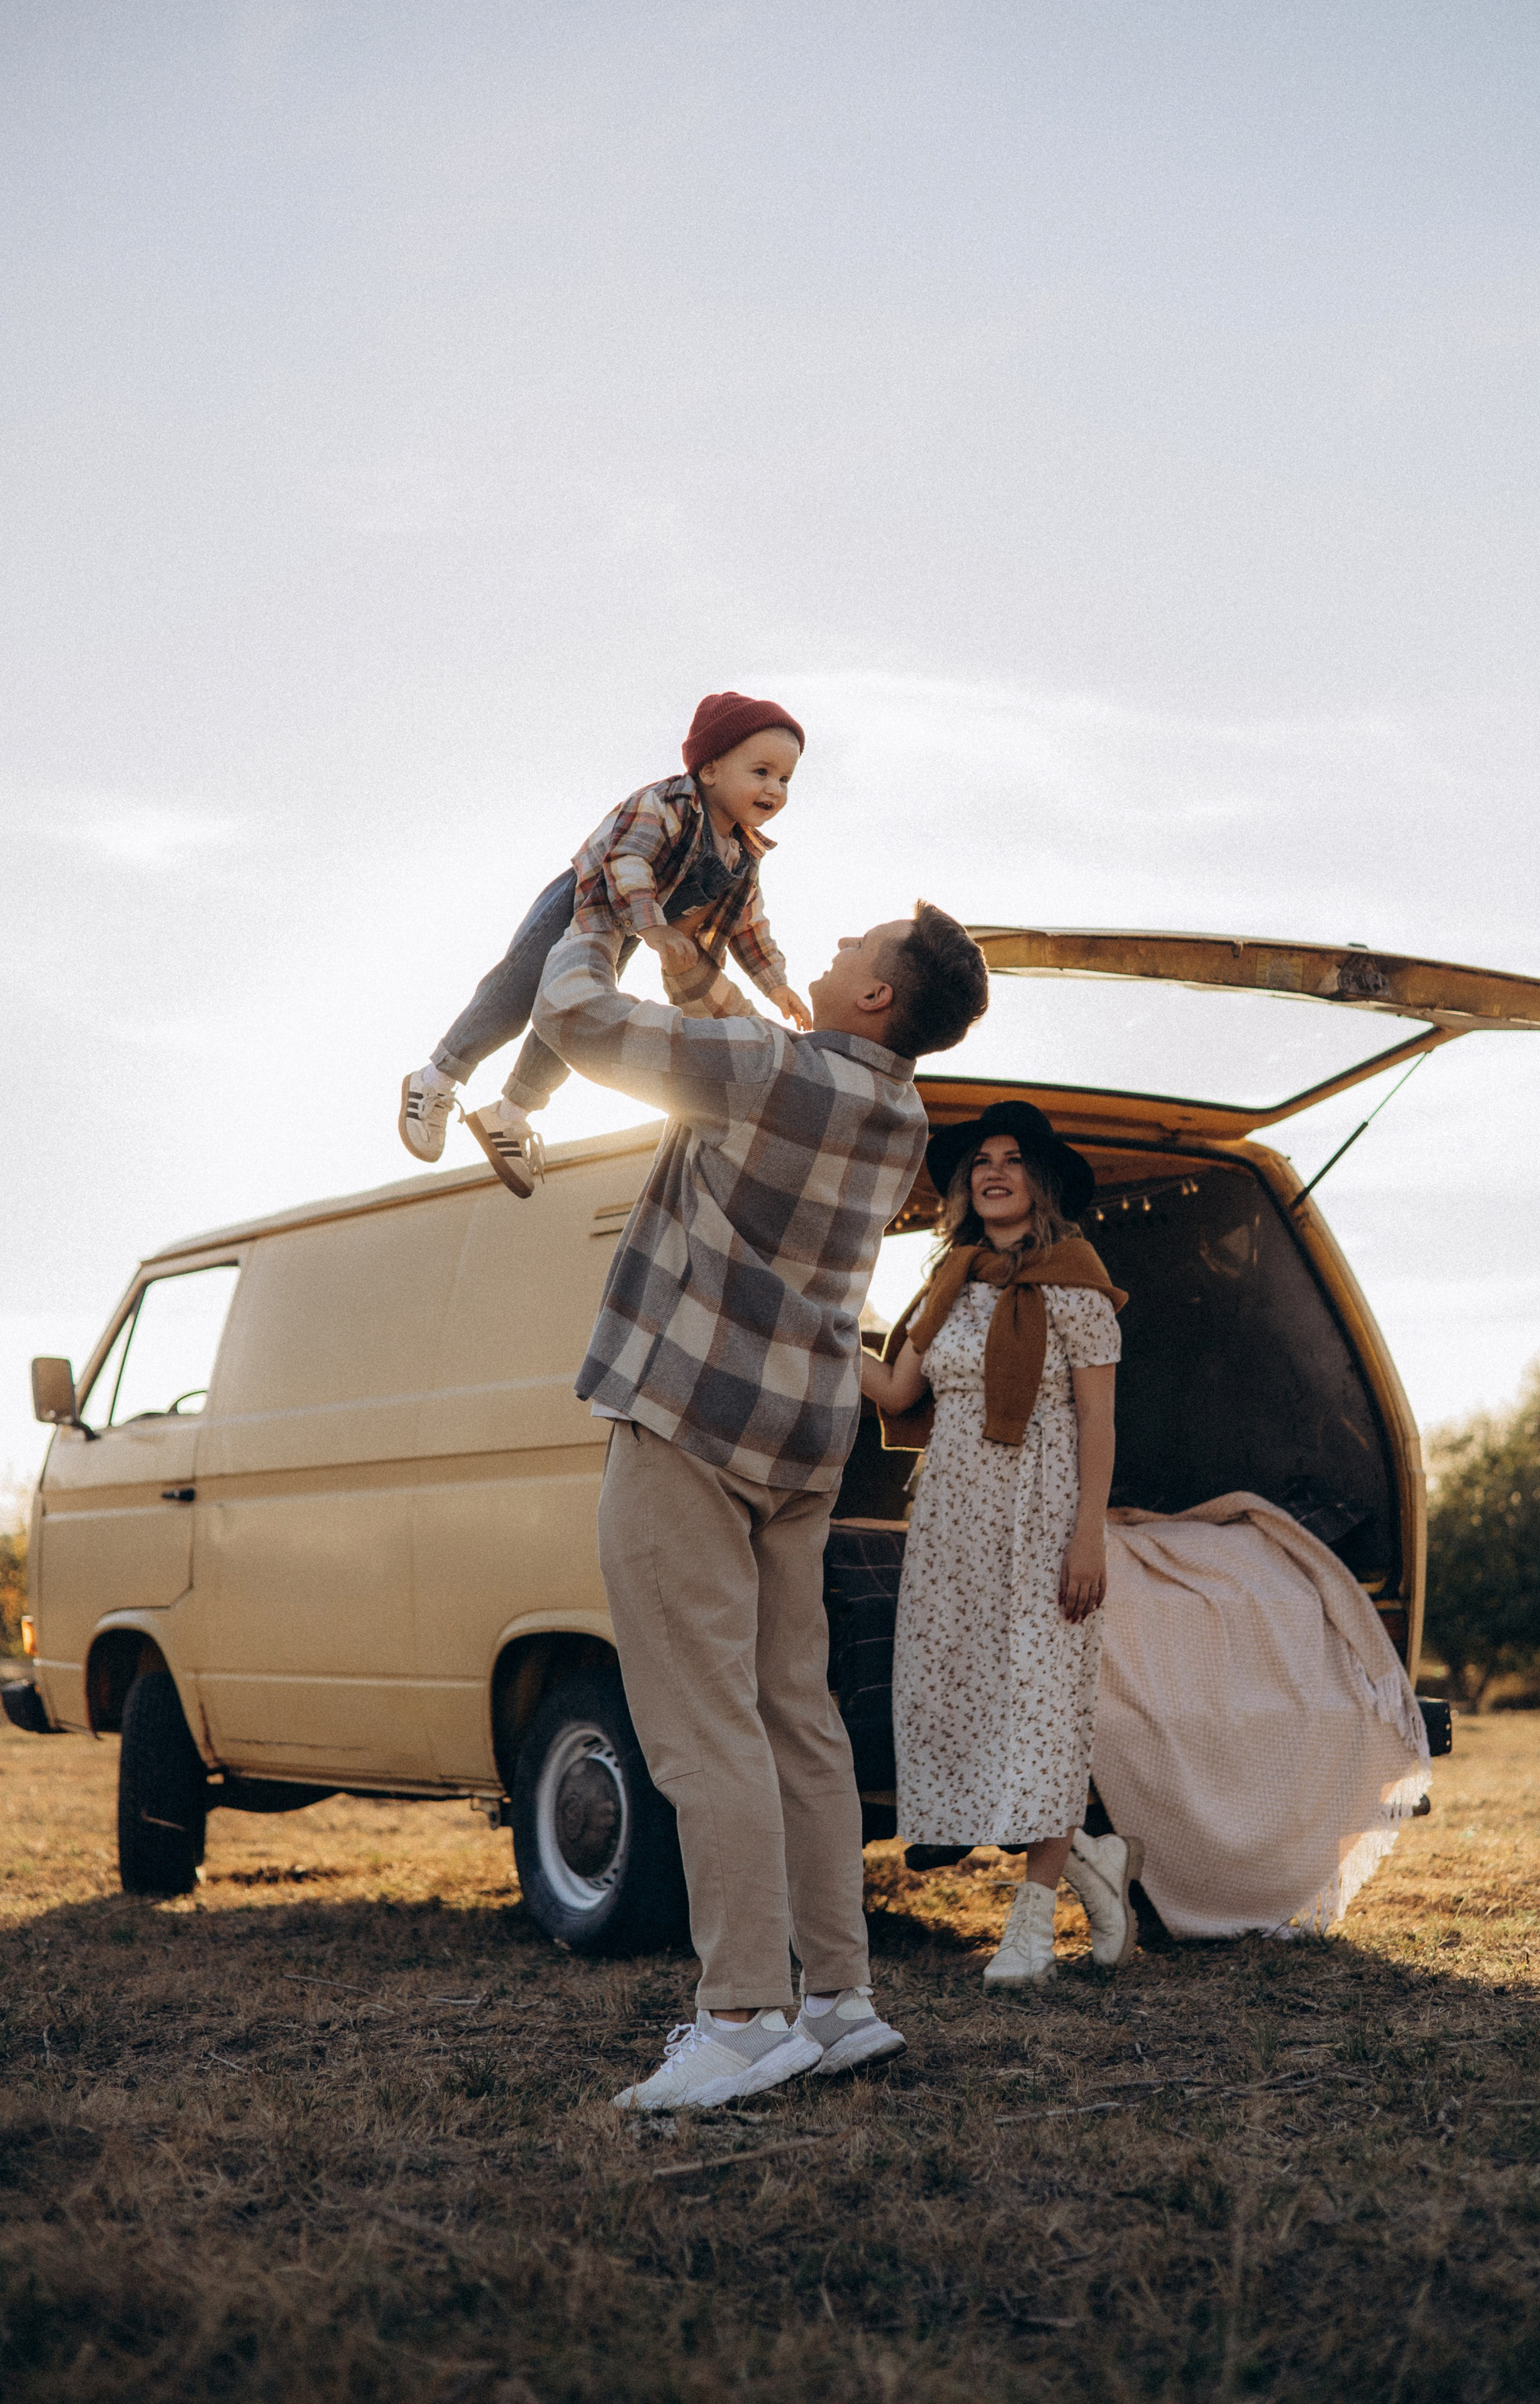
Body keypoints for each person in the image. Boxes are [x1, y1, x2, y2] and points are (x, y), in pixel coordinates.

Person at [530, 896, 991, 2109]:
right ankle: (837, 2000)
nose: (831, 949)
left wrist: (596, 915)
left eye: (854, 949)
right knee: (797, 1719)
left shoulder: (770, 1070)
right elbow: (750, 1062)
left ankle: (738, 2015)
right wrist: (707, 975)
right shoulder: (895, 1111)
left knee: (699, 1727)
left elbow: (574, 1017)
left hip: (687, 1421)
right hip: (799, 1445)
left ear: (879, 996)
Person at [858, 1099, 1141, 1980]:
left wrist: (1087, 1537)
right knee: (963, 1702)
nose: (993, 1171)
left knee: (1043, 1709)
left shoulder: (1079, 1283)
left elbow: (1099, 1424)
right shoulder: (948, 1280)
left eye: (1013, 1159)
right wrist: (818, 1331)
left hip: (1047, 1513)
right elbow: (900, 1392)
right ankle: (1094, 1859)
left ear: (1041, 1180)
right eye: (979, 1159)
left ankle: (1029, 1929)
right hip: (952, 1521)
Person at [398, 692, 814, 1197]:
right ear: (709, 770)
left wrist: (777, 985)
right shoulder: (665, 803)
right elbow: (628, 861)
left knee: (576, 1014)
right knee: (519, 990)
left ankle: (511, 1114)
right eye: (762, 771)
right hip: (585, 902)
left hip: (625, 929)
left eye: (785, 779)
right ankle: (436, 1078)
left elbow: (749, 923)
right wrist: (654, 926)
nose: (775, 788)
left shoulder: (742, 854)